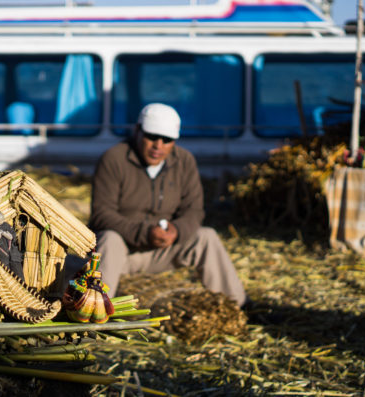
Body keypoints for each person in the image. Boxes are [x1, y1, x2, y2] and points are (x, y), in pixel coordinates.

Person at [88, 103, 247, 307]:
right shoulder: (114, 159)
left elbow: (194, 210)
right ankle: (95, 310)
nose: (158, 146)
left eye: (167, 140)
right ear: (138, 131)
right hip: (123, 252)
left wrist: (177, 231)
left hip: (163, 250)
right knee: (109, 239)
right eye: (152, 137)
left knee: (206, 237)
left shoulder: (184, 161)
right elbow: (102, 214)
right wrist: (145, 233)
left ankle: (237, 306)